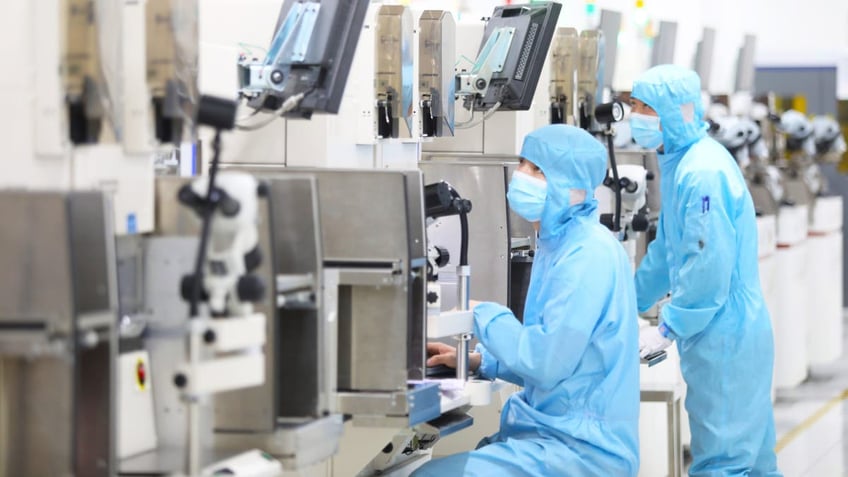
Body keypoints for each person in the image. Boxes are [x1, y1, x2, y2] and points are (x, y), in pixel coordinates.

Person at [412, 124, 640, 476]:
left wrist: (481, 315)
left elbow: (546, 362)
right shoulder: (560, 244)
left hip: (580, 450)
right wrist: (476, 361)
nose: (521, 175)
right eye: (521, 163)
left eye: (537, 169)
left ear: (574, 187)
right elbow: (561, 357)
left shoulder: (586, 254)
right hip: (554, 435)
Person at [629, 64, 781, 476]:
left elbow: (707, 266)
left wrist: (668, 327)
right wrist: (625, 303)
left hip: (726, 336)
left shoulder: (703, 173)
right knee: (755, 462)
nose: (635, 117)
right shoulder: (683, 164)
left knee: (724, 463)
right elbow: (667, 253)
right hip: (725, 331)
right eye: (633, 106)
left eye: (645, 108)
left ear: (673, 112)